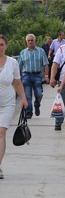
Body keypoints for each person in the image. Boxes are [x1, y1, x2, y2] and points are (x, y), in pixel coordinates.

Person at [0, 34, 29, 180]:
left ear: (6, 46)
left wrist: (23, 98)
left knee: (1, 132)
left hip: (7, 103)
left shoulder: (12, 63)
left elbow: (17, 82)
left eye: (1, 45)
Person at [17, 34, 50, 118]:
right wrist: (18, 78)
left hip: (37, 75)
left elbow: (46, 64)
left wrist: (46, 76)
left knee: (38, 94)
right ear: (26, 42)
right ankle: (29, 112)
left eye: (32, 40)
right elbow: (18, 66)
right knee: (27, 95)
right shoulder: (23, 52)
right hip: (26, 75)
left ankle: (37, 104)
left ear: (35, 41)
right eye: (29, 40)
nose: (30, 42)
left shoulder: (41, 51)